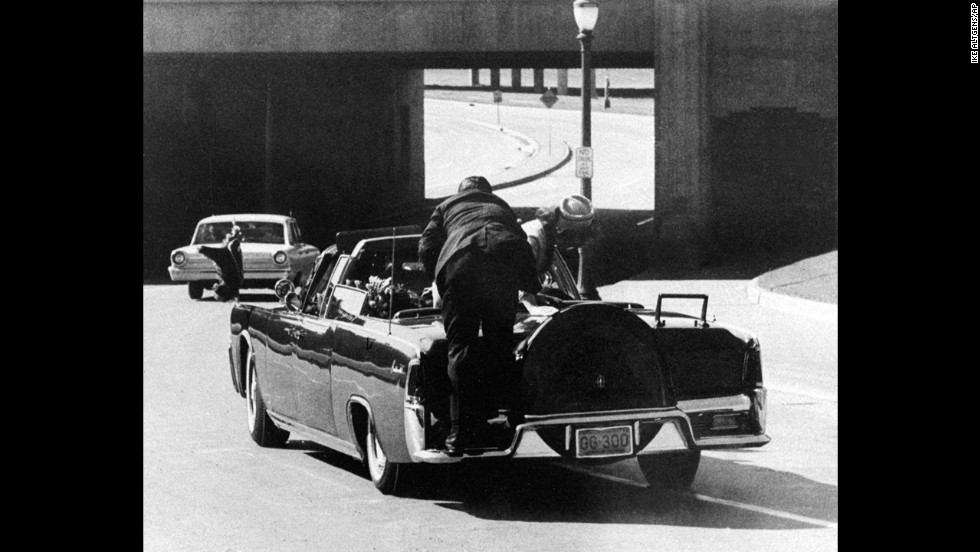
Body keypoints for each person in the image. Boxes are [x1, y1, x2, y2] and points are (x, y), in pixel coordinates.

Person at [419, 176, 540, 455]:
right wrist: (532, 287)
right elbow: (521, 245)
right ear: (487, 192)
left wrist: (438, 280)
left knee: (461, 349)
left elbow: (426, 247)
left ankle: (459, 435)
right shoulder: (502, 207)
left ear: (461, 192)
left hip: (460, 267)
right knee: (502, 347)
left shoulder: (446, 206)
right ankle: (515, 423)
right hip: (502, 268)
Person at [518, 194, 597, 312]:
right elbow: (521, 275)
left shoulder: (546, 236)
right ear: (561, 230)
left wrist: (537, 296)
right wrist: (532, 307)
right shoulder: (533, 237)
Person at [198, 225, 244, 301]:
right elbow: (222, 256)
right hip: (227, 263)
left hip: (227, 262)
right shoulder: (231, 282)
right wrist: (202, 250)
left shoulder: (234, 283)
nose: (215, 285)